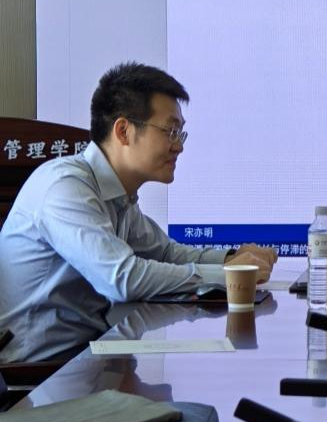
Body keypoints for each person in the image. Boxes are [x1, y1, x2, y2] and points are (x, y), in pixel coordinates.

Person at [0, 62, 277, 363]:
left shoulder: (119, 194)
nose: (179, 147)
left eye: (181, 133)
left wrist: (232, 258)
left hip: (92, 356)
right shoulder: (65, 187)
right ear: (124, 131)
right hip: (39, 374)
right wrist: (231, 275)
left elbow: (166, 253)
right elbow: (123, 278)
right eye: (171, 131)